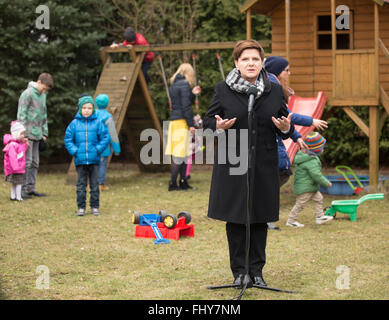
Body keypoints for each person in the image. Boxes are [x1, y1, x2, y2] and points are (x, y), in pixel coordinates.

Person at [203, 40, 294, 288]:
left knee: (259, 218)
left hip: (264, 164)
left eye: (255, 59)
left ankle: (256, 272)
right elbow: (208, 123)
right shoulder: (223, 89)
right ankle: (239, 273)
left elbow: (286, 124)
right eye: (245, 59)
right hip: (233, 162)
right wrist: (218, 126)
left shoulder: (274, 90)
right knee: (236, 219)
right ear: (237, 63)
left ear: (262, 63)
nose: (250, 63)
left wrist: (287, 128)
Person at [264, 56, 328, 230]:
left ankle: (264, 218)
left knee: (280, 176)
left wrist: (296, 136)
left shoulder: (275, 87)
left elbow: (285, 116)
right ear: (278, 71)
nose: (289, 73)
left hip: (276, 140)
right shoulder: (272, 87)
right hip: (269, 143)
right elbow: (288, 115)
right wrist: (311, 121)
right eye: (287, 70)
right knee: (277, 177)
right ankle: (265, 218)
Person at [64, 96, 109, 216]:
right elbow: (68, 139)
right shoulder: (74, 124)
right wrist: (75, 151)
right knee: (81, 185)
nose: (87, 110)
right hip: (80, 160)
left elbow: (105, 137)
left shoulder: (98, 123)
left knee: (95, 185)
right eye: (84, 108)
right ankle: (81, 207)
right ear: (80, 109)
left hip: (94, 160)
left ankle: (94, 206)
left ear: (93, 109)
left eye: (89, 108)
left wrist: (98, 149)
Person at [165, 63, 201, 191]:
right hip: (182, 121)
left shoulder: (174, 84)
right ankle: (173, 183)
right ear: (188, 73)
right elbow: (186, 106)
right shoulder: (185, 84)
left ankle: (183, 181)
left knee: (183, 153)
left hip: (175, 121)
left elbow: (181, 102)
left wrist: (192, 94)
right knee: (180, 155)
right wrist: (191, 124)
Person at [17, 72, 53, 199]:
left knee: (35, 163)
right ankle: (22, 190)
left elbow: (44, 115)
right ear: (38, 82)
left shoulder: (43, 95)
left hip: (38, 134)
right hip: (27, 134)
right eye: (43, 88)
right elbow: (21, 115)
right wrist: (23, 134)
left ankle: (31, 188)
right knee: (27, 162)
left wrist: (44, 132)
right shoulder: (27, 94)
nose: (44, 91)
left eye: (46, 90)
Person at [286, 132, 333, 227]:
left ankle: (319, 217)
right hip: (305, 188)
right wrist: (326, 183)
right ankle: (291, 221)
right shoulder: (310, 160)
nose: (323, 149)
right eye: (322, 147)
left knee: (318, 198)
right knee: (300, 204)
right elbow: (316, 175)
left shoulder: (307, 157)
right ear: (317, 149)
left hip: (310, 187)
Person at [95, 94, 121, 191]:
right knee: (102, 165)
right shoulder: (108, 117)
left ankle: (91, 184)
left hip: (91, 146)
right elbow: (112, 134)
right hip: (103, 147)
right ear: (107, 104)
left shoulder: (91, 115)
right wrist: (116, 149)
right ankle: (100, 184)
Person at [3, 121, 29, 201]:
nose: (23, 136)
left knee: (15, 183)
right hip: (16, 169)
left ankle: (13, 196)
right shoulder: (12, 145)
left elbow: (21, 152)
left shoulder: (17, 144)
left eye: (23, 134)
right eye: (21, 134)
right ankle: (18, 197)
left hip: (17, 168)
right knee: (18, 183)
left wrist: (25, 144)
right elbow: (12, 158)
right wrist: (16, 168)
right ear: (16, 134)